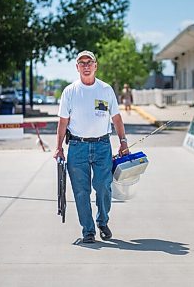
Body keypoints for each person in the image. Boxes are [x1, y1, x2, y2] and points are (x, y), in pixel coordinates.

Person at [53, 50, 129, 243]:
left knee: (103, 186)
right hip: (77, 147)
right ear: (77, 67)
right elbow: (63, 122)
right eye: (82, 62)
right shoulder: (70, 91)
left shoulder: (106, 90)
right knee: (81, 191)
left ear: (96, 65)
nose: (86, 65)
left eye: (89, 62)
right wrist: (58, 147)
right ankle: (88, 230)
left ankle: (102, 221)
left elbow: (117, 118)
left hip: (102, 145)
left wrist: (123, 141)